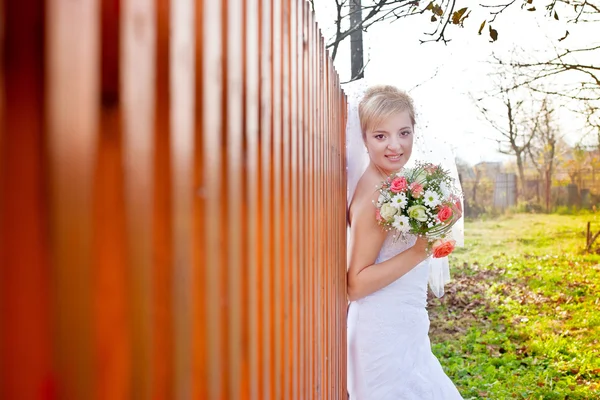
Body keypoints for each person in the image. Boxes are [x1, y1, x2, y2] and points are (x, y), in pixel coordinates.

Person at [346, 85, 464, 399]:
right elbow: (355, 285)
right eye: (380, 136)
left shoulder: (393, 185)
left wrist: (442, 213)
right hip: (381, 333)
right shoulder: (376, 195)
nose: (395, 146)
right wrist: (419, 250)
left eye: (404, 132)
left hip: (403, 324)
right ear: (364, 138)